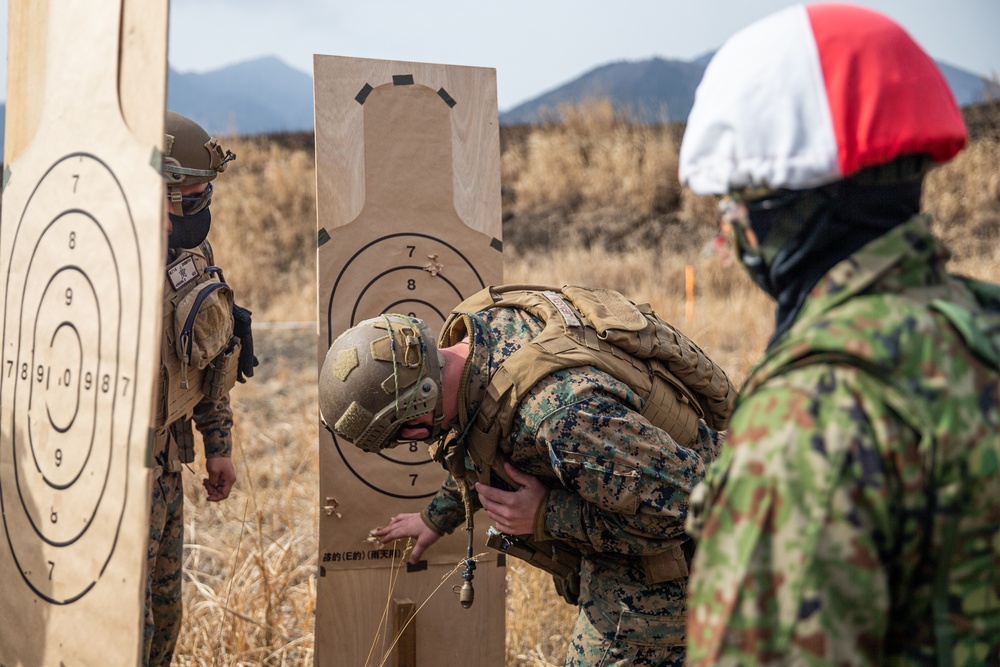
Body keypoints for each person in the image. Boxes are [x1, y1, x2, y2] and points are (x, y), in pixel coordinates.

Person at [677, 4, 1000, 665]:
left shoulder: (809, 418)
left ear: (783, 207)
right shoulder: (982, 328)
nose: (730, 227)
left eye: (735, 201)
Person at [319, 285, 737, 666]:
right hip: (643, 497)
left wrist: (546, 515)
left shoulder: (560, 417)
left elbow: (690, 507)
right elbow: (477, 434)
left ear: (413, 419)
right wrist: (437, 518)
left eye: (403, 437)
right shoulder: (479, 334)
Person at [146, 110, 255, 666]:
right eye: (184, 201)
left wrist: (219, 447)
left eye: (203, 198)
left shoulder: (193, 260)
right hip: (117, 485)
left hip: (167, 470)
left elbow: (207, 368)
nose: (196, 214)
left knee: (165, 620)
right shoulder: (106, 271)